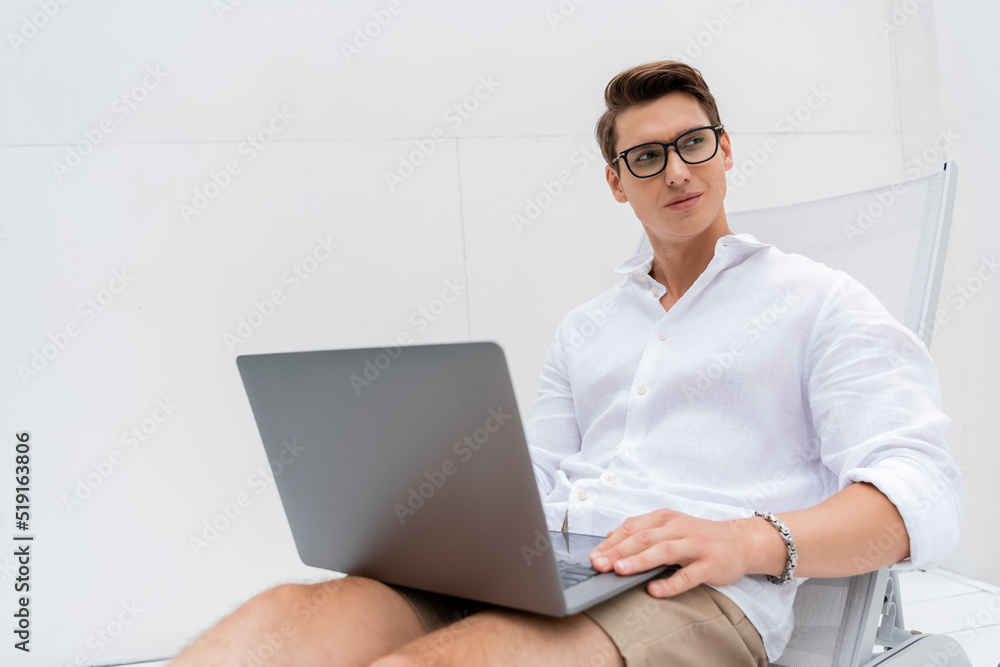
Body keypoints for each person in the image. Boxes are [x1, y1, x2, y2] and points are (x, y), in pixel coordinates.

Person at [169, 60, 963, 666]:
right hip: (541, 566)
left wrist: (745, 539)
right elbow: (537, 474)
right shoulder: (587, 329)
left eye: (692, 144)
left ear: (725, 151)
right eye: (645, 156)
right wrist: (431, 515)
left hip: (693, 591)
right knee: (283, 621)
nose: (676, 170)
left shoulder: (819, 302)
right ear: (617, 183)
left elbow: (922, 495)